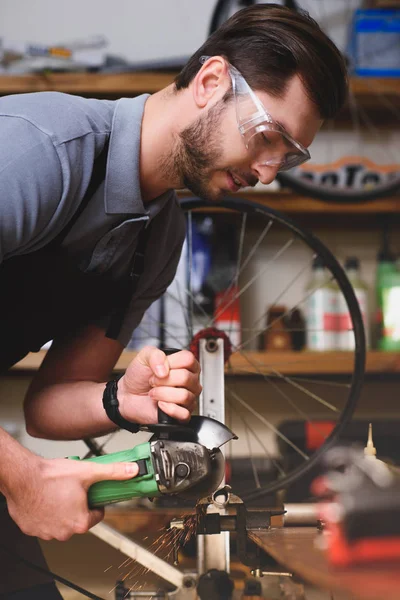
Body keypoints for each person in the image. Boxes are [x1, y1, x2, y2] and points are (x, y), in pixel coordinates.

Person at [0, 3, 348, 598]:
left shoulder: (158, 237)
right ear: (211, 82)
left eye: (289, 156)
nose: (268, 172)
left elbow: (47, 406)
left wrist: (119, 398)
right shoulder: (42, 152)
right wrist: (23, 474)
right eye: (268, 137)